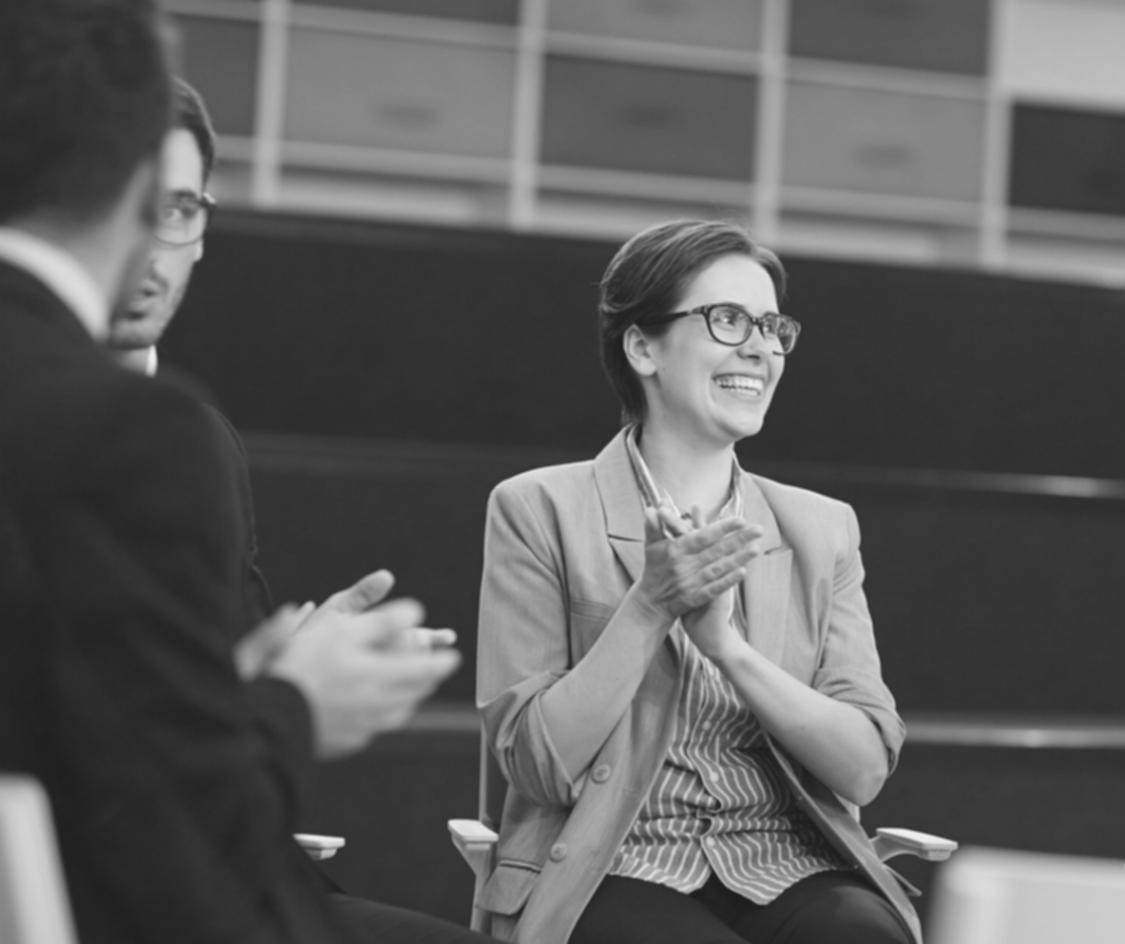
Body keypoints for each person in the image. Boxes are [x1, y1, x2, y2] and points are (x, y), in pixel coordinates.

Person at [0, 3, 459, 941]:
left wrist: (256, 666)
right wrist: (297, 702)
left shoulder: (174, 433)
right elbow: (160, 815)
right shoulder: (133, 434)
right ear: (130, 178)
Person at [99, 75, 494, 943]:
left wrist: (286, 660)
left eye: (176, 210)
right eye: (114, 201)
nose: (147, 246)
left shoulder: (200, 435)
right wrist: (290, 695)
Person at [476, 219, 917, 944]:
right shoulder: (538, 509)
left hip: (788, 862)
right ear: (642, 345)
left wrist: (729, 650)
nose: (761, 347)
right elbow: (539, 765)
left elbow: (863, 769)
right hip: (611, 865)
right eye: (727, 319)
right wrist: (650, 606)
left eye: (772, 325)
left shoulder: (822, 527)